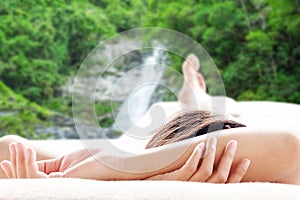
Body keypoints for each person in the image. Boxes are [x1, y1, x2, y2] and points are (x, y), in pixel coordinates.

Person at [1, 54, 300, 184]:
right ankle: (193, 97)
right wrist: (131, 165)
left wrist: (109, 166)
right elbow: (7, 147)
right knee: (206, 113)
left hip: (176, 133)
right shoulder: (273, 158)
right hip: (168, 136)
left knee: (211, 113)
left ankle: (193, 97)